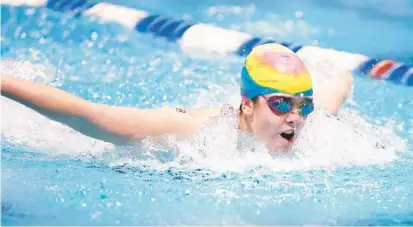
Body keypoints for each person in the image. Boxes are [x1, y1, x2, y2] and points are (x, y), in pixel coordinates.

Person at [1, 43, 353, 153]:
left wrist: (341, 76)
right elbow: (88, 115)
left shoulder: (309, 126)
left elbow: (331, 102)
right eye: (279, 103)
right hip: (58, 141)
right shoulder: (195, 131)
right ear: (247, 103)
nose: (294, 117)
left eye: (302, 105)